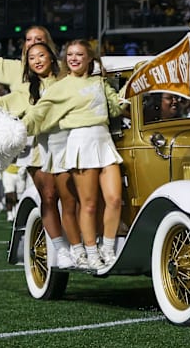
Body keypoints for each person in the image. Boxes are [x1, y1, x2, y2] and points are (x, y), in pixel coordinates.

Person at [0, 28, 70, 266]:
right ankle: (61, 248)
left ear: (49, 46)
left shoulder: (66, 70)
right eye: (29, 41)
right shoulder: (19, 71)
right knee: (48, 196)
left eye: (39, 41)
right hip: (36, 143)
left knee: (71, 198)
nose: (33, 46)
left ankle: (80, 245)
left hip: (69, 141)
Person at [23, 39, 124, 270]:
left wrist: (123, 100)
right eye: (70, 55)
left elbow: (115, 108)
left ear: (89, 58)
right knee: (88, 204)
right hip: (81, 142)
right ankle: (90, 251)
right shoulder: (60, 86)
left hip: (104, 140)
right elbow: (38, 114)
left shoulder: (100, 82)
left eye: (79, 54)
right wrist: (16, 129)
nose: (74, 58)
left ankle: (107, 248)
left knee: (114, 199)